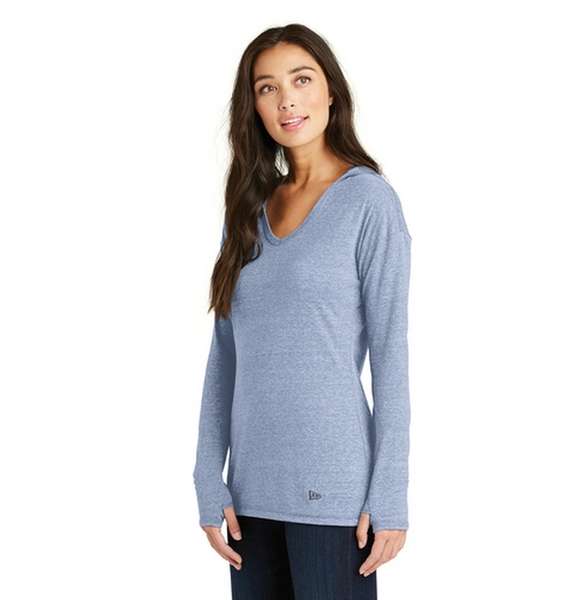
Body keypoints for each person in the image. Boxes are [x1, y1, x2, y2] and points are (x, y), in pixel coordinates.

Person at [193, 23, 412, 599]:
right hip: (248, 496)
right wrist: (207, 474)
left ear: (330, 91)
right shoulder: (246, 212)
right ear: (254, 108)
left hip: (335, 494)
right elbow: (225, 356)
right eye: (267, 88)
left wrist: (390, 492)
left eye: (301, 80)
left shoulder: (368, 202)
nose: (286, 100)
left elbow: (390, 355)